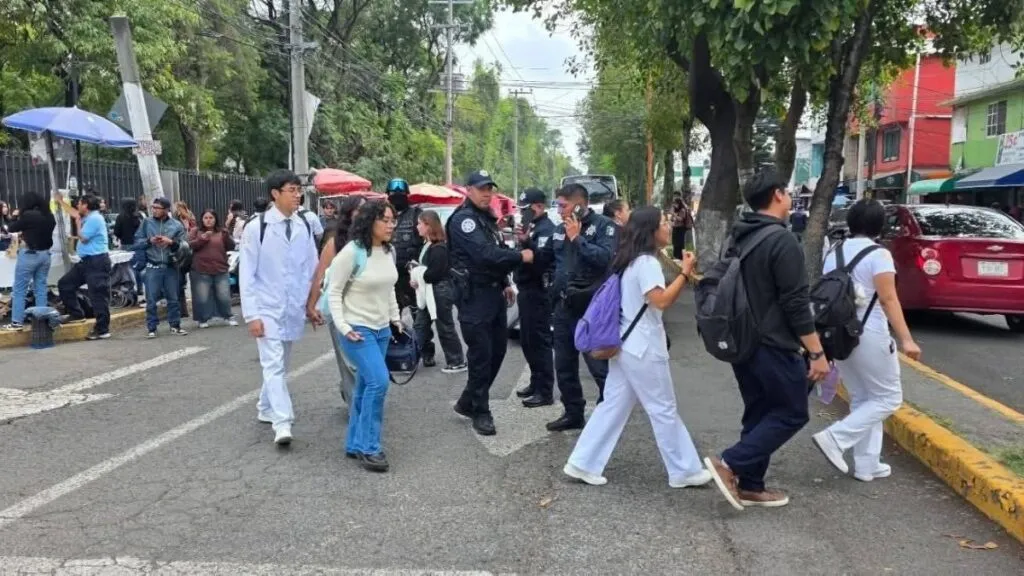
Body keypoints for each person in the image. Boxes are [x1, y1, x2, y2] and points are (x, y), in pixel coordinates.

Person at [703, 169, 830, 510]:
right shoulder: (782, 240)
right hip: (773, 344)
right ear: (777, 194)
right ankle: (729, 463)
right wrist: (816, 352)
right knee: (791, 412)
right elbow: (795, 302)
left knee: (760, 411)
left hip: (742, 341)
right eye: (787, 192)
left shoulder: (740, 235)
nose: (789, 198)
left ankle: (751, 485)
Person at [564, 207, 711, 489]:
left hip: (626, 346)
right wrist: (685, 273)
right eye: (664, 222)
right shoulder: (646, 263)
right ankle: (684, 470)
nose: (669, 227)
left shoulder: (632, 260)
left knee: (614, 406)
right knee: (663, 408)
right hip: (643, 348)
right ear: (651, 231)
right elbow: (661, 300)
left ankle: (582, 462)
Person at [812, 199, 920, 482]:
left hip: (838, 335)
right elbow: (887, 298)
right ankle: (836, 438)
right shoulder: (879, 255)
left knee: (863, 396)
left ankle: (867, 464)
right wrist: (907, 339)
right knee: (888, 397)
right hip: (869, 333)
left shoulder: (834, 251)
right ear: (880, 225)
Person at [448, 170, 533, 436]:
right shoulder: (464, 221)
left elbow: (494, 252)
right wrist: (520, 257)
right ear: (468, 190)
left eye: (490, 189)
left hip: (493, 294)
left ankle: (467, 400)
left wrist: (506, 282)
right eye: (482, 188)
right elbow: (484, 255)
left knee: (497, 351)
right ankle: (480, 411)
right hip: (474, 298)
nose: (487, 193)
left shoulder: (484, 220)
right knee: (481, 356)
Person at [240, 170, 319, 446]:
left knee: (281, 362)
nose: (298, 195)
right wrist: (252, 315)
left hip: (292, 307)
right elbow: (247, 273)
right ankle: (282, 422)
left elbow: (312, 268)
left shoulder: (304, 226)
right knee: (273, 363)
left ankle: (265, 407)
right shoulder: (257, 227)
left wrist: (312, 304)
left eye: (299, 190)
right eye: (292, 190)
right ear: (275, 194)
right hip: (267, 307)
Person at [328, 200, 402, 471]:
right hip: (357, 329)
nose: (390, 225)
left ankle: (354, 443)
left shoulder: (388, 250)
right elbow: (334, 291)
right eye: (385, 219)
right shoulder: (352, 252)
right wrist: (344, 327)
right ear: (370, 221)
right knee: (378, 383)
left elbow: (389, 287)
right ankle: (370, 447)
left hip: (382, 329)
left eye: (393, 220)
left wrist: (395, 318)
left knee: (363, 385)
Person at [543, 183, 618, 432]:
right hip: (564, 306)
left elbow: (605, 259)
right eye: (557, 205)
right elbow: (548, 261)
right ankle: (573, 412)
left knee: (599, 366)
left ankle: (608, 416)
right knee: (564, 364)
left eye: (563, 205)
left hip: (591, 308)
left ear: (578, 204)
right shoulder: (558, 229)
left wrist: (578, 239)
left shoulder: (604, 226)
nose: (559, 210)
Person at [306, 195, 366, 395]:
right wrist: (312, 306)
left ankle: (358, 395)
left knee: (367, 361)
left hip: (369, 310)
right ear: (349, 214)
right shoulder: (335, 243)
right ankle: (355, 405)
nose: (365, 213)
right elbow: (320, 275)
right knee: (349, 363)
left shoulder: (375, 241)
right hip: (340, 311)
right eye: (359, 209)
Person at [514, 188, 558, 407]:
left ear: (539, 207)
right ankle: (535, 381)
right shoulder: (531, 228)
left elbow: (540, 262)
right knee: (527, 341)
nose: (523, 214)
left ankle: (545, 390)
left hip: (539, 291)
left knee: (539, 342)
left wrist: (527, 243)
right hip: (525, 289)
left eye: (527, 209)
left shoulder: (547, 230)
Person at [411, 209, 466, 373]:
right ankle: (409, 358)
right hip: (429, 291)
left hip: (439, 291)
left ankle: (456, 361)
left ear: (429, 225)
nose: (417, 226)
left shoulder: (439, 248)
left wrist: (417, 273)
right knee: (420, 325)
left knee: (445, 326)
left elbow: (433, 273)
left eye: (420, 223)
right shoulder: (428, 245)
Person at [132, 197, 189, 338]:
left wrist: (171, 242)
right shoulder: (146, 223)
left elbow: (185, 246)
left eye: (158, 208)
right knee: (151, 299)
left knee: (173, 298)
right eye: (153, 207)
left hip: (171, 265)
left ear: (167, 209)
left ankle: (175, 325)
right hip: (153, 265)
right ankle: (152, 327)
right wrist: (149, 241)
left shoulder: (176, 225)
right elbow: (137, 242)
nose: (154, 210)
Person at [57, 194, 112, 341]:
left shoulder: (94, 219)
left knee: (98, 296)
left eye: (79, 204)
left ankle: (102, 329)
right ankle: (76, 314)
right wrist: (60, 202)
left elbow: (83, 238)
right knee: (65, 284)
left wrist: (77, 224)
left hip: (97, 262)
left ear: (86, 205)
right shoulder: (88, 216)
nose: (77, 206)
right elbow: (74, 213)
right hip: (86, 262)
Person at [2, 192, 57, 331]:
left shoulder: (28, 216)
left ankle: (17, 322)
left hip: (29, 254)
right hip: (45, 255)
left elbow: (11, 228)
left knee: (20, 289)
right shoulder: (49, 216)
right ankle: (41, 320)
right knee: (40, 288)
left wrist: (14, 216)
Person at [189, 209, 237, 328]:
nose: (208, 220)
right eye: (206, 218)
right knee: (202, 296)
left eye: (211, 218)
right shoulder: (196, 231)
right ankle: (203, 319)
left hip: (220, 267)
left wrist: (227, 235)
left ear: (215, 219)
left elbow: (230, 246)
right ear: (202, 219)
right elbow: (190, 245)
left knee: (224, 294)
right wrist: (203, 238)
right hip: (201, 269)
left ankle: (227, 316)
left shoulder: (221, 232)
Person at [385, 178, 423, 311]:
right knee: (392, 320)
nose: (397, 197)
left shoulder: (416, 215)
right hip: (389, 276)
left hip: (411, 275)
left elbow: (425, 242)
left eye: (400, 194)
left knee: (420, 318)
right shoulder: (382, 215)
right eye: (393, 194)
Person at [113, 198, 144, 300]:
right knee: (138, 267)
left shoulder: (121, 217)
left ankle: (132, 289)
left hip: (127, 244)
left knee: (128, 268)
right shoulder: (139, 216)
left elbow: (117, 232)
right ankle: (140, 289)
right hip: (138, 244)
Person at [670, 195, 693, 259]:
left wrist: (674, 214)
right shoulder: (676, 210)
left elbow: (681, 219)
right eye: (674, 203)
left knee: (680, 243)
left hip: (681, 229)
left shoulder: (682, 210)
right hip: (676, 228)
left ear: (679, 203)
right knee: (675, 243)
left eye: (675, 203)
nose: (674, 205)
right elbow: (672, 219)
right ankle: (675, 256)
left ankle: (681, 257)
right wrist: (673, 216)